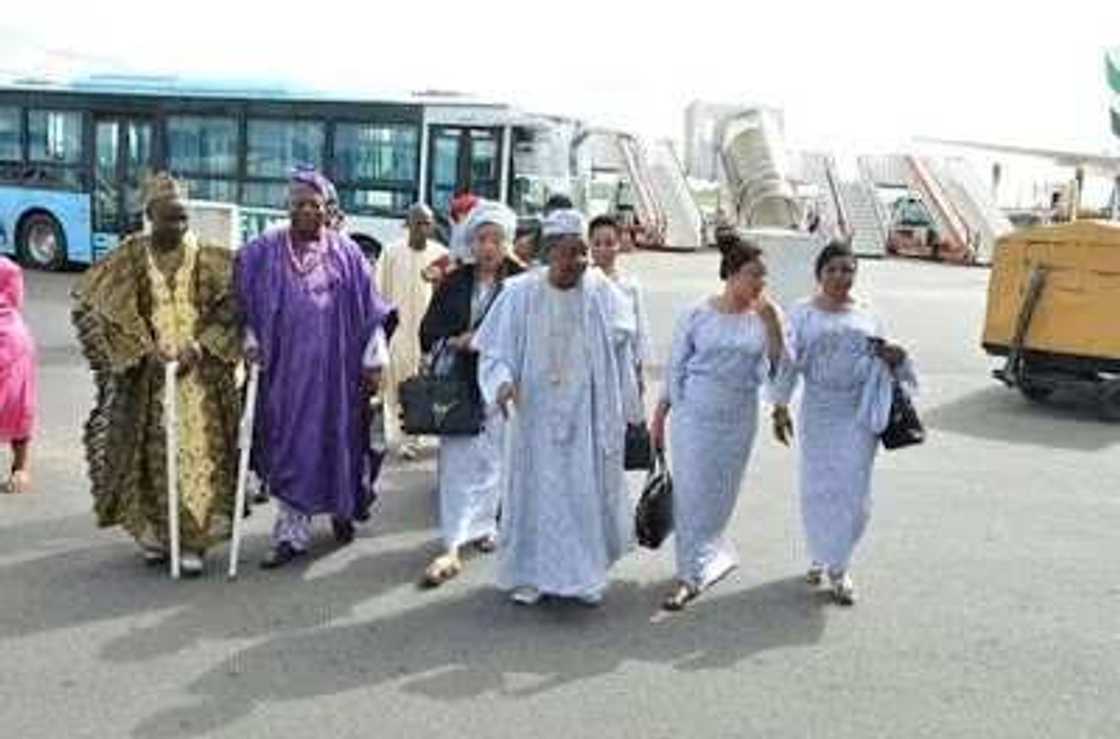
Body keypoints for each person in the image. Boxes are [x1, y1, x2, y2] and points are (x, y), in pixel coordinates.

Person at [72, 173, 241, 575]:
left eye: (183, 218)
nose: (178, 226)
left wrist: (199, 347)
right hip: (150, 381)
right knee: (150, 458)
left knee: (200, 460)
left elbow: (233, 309)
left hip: (200, 380)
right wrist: (146, 351)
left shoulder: (209, 259)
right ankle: (157, 537)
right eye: (170, 218)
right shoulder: (130, 258)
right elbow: (97, 305)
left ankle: (193, 541)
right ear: (150, 216)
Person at [473, 208, 641, 606]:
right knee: (536, 494)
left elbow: (624, 339)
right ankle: (531, 574)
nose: (580, 261)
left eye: (583, 252)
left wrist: (626, 402)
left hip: (585, 415)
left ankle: (584, 576)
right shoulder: (519, 294)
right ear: (549, 253)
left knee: (582, 494)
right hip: (533, 415)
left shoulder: (599, 291)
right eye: (570, 252)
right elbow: (494, 351)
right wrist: (502, 384)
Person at [236, 168, 397, 569]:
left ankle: (343, 509)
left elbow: (370, 308)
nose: (308, 211)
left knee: (341, 444)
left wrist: (374, 358)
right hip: (288, 377)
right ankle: (291, 534)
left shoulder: (347, 253)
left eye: (316, 204)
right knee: (292, 449)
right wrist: (251, 338)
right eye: (300, 204)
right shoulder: (265, 251)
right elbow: (244, 297)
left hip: (339, 376)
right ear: (288, 207)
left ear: (328, 209)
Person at [770, 241, 916, 605]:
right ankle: (825, 558)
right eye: (832, 269)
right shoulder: (802, 313)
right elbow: (789, 361)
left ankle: (839, 562)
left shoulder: (867, 314)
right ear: (819, 274)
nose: (840, 277)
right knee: (819, 489)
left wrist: (897, 357)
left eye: (847, 269)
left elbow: (888, 359)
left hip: (858, 413)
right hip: (819, 411)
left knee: (854, 491)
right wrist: (780, 406)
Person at [650, 237, 785, 610]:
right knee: (691, 493)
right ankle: (688, 575)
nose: (759, 283)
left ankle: (708, 553)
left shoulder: (765, 317)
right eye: (753, 274)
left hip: (738, 416)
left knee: (720, 495)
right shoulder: (697, 314)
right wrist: (661, 414)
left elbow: (779, 370)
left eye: (763, 276)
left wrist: (773, 325)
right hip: (694, 414)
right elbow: (676, 366)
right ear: (731, 274)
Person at [417, 200, 525, 586]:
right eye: (482, 239)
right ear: (471, 242)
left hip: (501, 386)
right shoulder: (455, 281)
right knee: (457, 460)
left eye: (496, 239)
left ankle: (485, 524)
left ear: (507, 243)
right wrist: (454, 341)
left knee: (494, 459)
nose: (489, 247)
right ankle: (453, 537)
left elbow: (527, 334)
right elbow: (429, 331)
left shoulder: (520, 284)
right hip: (459, 383)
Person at [377, 204, 448, 460]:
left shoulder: (441, 255)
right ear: (408, 225)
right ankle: (397, 438)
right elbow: (380, 292)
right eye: (417, 223)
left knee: (421, 387)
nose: (422, 229)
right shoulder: (391, 252)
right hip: (398, 333)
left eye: (427, 223)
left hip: (427, 335)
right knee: (394, 388)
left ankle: (415, 438)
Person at [589, 214, 650, 399]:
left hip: (622, 363)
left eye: (609, 243)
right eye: (597, 244)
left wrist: (639, 371)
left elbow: (640, 330)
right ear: (589, 245)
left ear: (619, 245)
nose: (603, 249)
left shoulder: (629, 284)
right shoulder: (583, 283)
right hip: (591, 363)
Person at [0, 257, 36, 495]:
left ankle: (21, 468)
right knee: (17, 406)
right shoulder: (8, 268)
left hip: (10, 344)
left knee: (15, 405)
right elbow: (16, 300)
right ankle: (21, 467)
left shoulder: (7, 268)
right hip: (15, 340)